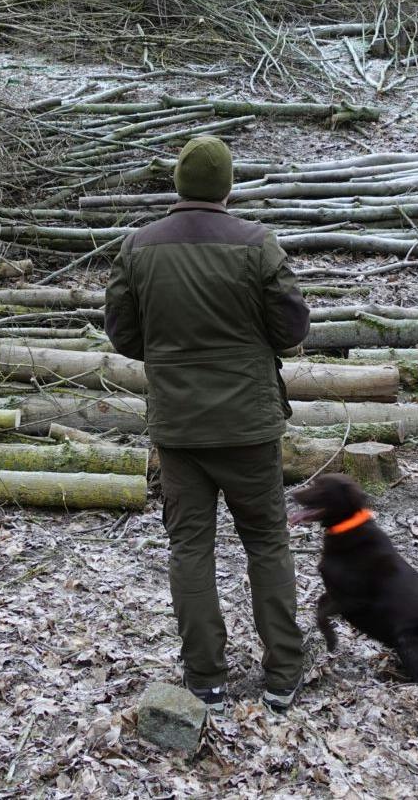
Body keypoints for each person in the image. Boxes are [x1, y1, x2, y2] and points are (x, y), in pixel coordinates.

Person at [104, 134, 310, 712]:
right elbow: (292, 329)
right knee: (267, 542)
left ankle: (205, 680)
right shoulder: (257, 244)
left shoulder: (139, 247)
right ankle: (283, 674)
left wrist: (171, 355)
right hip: (248, 423)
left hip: (179, 427)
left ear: (178, 183)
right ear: (227, 187)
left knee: (189, 547)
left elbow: (122, 332)